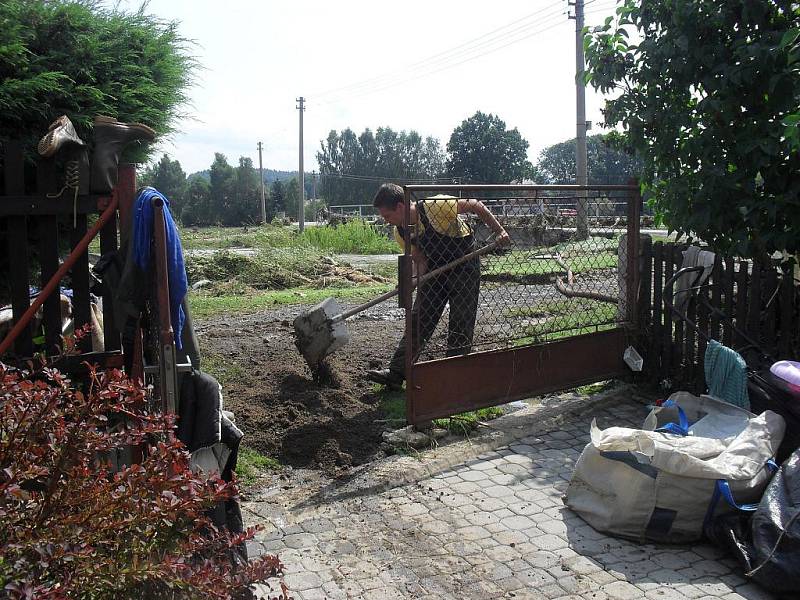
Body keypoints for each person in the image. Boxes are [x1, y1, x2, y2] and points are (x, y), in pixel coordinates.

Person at [366, 183, 510, 389]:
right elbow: (421, 261)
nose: (386, 221)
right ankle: (396, 373)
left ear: (400, 207)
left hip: (464, 264)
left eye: (387, 216)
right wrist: (413, 282)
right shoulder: (401, 233)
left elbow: (476, 205)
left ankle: (455, 376)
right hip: (435, 270)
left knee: (461, 319)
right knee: (418, 319)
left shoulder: (436, 206)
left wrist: (500, 231)